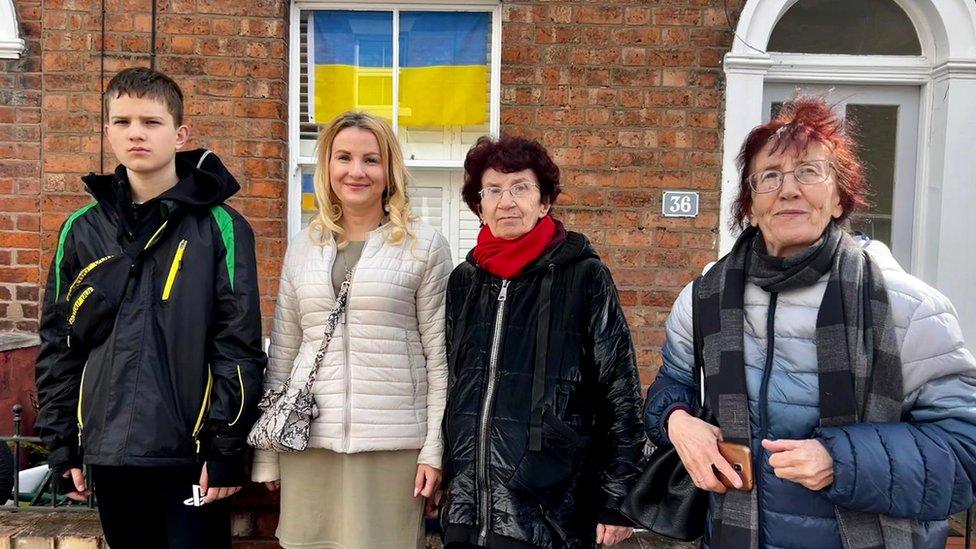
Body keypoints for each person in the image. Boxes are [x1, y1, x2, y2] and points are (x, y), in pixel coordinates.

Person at [643, 96, 976, 548]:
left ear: (840, 198)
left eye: (809, 172)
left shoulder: (910, 309)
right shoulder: (702, 298)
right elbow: (673, 384)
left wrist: (842, 461)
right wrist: (677, 420)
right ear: (751, 206)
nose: (789, 189)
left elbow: (963, 451)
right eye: (770, 176)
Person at [35, 67, 266, 549]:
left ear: (179, 133)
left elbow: (237, 344)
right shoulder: (80, 228)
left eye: (150, 121)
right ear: (107, 132)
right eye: (121, 122)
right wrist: (62, 444)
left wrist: (225, 446)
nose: (135, 133)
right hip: (110, 450)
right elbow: (60, 346)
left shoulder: (221, 226)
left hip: (189, 452)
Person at [250, 111, 453, 549]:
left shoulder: (424, 246)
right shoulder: (304, 246)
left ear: (389, 170)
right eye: (343, 158)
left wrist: (434, 451)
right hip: (310, 443)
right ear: (327, 167)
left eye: (371, 160)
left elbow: (440, 358)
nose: (356, 171)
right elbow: (284, 352)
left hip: (392, 445)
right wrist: (267, 453)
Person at [438, 135, 644, 548]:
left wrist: (618, 498)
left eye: (520, 187)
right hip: (467, 503)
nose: (506, 201)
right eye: (493, 190)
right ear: (480, 205)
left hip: (550, 504)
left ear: (544, 202)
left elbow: (620, 391)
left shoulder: (584, 276)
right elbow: (453, 379)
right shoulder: (465, 280)